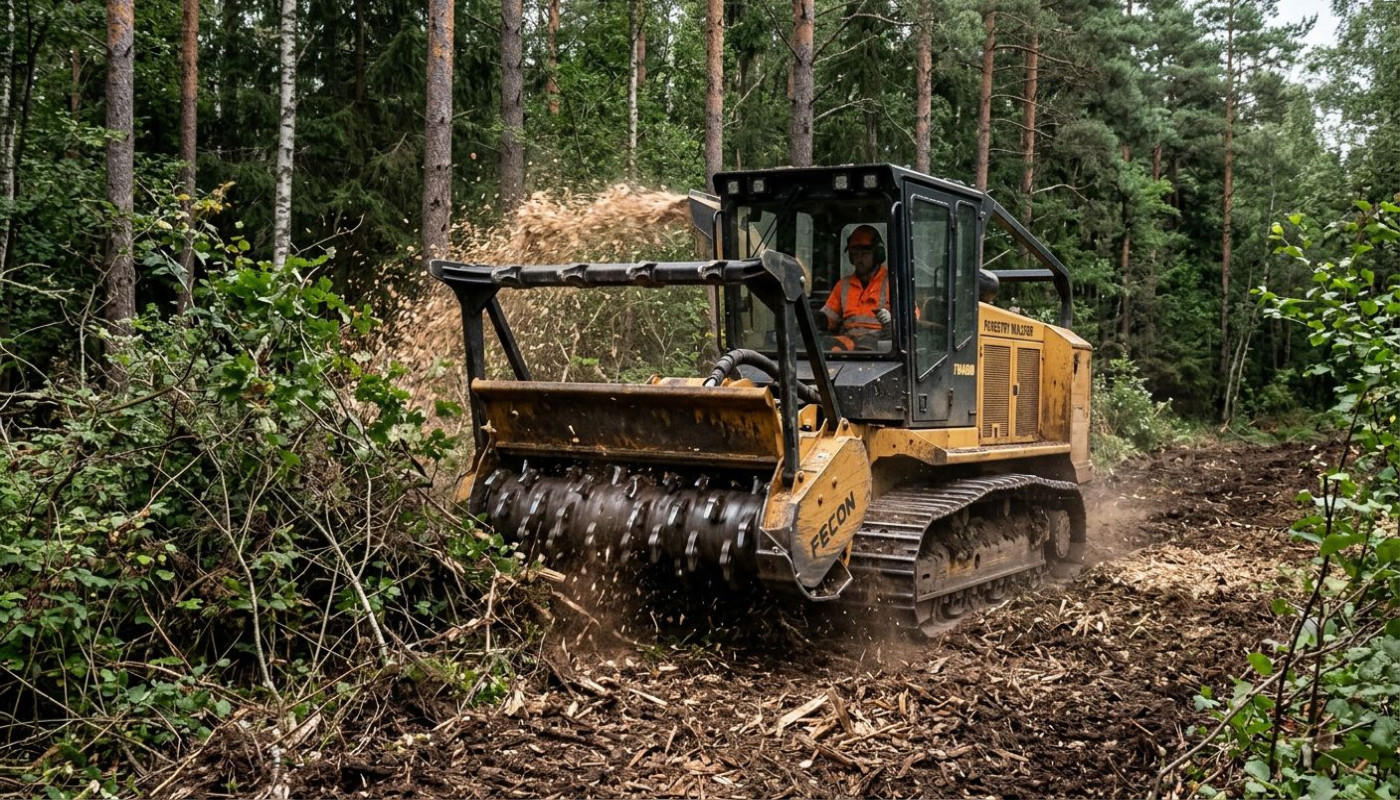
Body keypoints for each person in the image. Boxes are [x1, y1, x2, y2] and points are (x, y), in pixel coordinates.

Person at [819, 225, 892, 351]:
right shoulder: (843, 285)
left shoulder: (893, 283)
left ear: (878, 255)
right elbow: (828, 318)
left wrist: (892, 318)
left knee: (865, 349)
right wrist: (816, 320)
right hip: (848, 340)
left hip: (878, 342)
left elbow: (912, 316)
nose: (859, 259)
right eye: (855, 254)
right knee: (824, 348)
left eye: (864, 254)